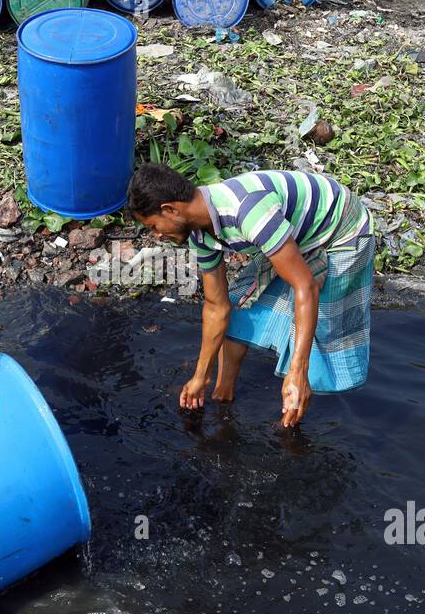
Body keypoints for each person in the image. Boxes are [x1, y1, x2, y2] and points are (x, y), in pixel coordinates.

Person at [127, 164, 374, 427]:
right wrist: (201, 377)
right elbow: (216, 307)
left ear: (170, 209)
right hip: (296, 232)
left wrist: (297, 371)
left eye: (154, 225)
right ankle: (223, 392)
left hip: (341, 229)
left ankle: (289, 422)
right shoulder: (199, 235)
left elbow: (306, 287)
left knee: (314, 332)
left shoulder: (248, 211)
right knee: (240, 302)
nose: (157, 235)